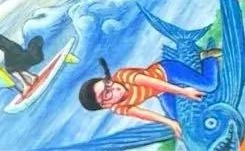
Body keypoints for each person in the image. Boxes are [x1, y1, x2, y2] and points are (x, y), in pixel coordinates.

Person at [76, 50, 221, 142]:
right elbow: (144, 114)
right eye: (107, 93)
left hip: (167, 72)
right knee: (181, 122)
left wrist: (183, 92)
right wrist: (170, 123)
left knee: (209, 86)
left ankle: (207, 58)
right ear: (106, 105)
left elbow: (154, 83)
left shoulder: (122, 76)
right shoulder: (118, 108)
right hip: (162, 92)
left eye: (107, 83)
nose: (113, 86)